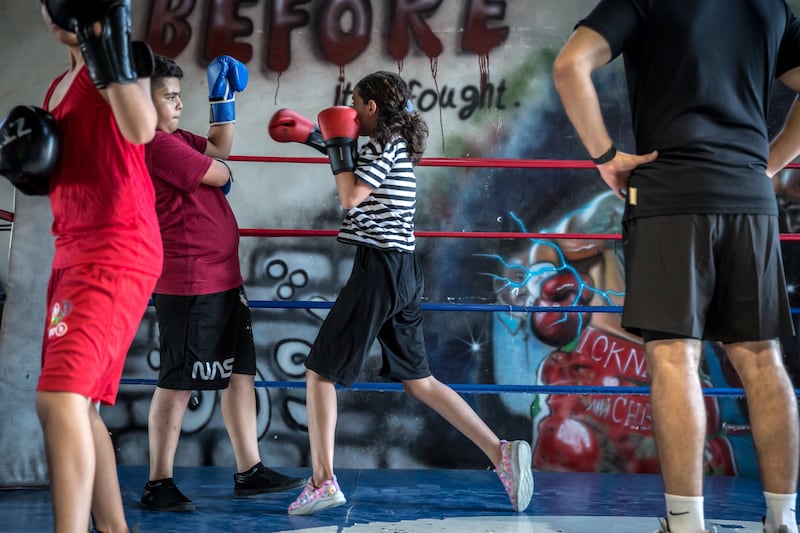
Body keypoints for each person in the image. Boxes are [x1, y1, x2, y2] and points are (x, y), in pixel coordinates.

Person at [552, 2, 800, 532]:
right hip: (749, 197)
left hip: (670, 192)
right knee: (762, 358)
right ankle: (784, 521)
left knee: (673, 358)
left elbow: (569, 65)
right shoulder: (769, 4)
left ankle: (686, 525)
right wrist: (769, 162)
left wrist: (606, 157)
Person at [277, 71, 534, 516]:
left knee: (320, 372)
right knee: (420, 382)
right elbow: (359, 170)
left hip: (378, 268)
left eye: (356, 103)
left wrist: (334, 144)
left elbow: (350, 194)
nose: (353, 111)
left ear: (372, 107)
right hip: (402, 270)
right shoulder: (393, 142)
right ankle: (501, 453)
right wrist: (313, 138)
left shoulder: (381, 143)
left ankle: (323, 481)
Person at [139, 55, 304, 512]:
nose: (177, 103)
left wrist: (222, 99)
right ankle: (158, 482)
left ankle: (249, 470)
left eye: (178, 94)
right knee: (177, 381)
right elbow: (220, 171)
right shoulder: (154, 144)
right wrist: (221, 175)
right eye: (168, 96)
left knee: (239, 373)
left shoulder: (174, 138)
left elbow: (218, 150)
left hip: (221, 275)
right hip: (190, 280)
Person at [31, 1, 162, 531]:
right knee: (79, 407)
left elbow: (141, 126)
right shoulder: (55, 91)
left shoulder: (111, 64)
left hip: (115, 248)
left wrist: (101, 43)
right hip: (73, 253)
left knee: (59, 398)